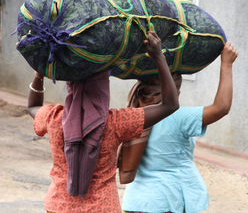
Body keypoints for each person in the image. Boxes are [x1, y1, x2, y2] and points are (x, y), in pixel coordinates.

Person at [27, 31, 180, 213]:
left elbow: (32, 106)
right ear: (102, 88)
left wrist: (39, 74)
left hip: (58, 205)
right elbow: (170, 105)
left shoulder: (54, 117)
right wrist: (158, 56)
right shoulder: (116, 122)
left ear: (71, 85)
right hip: (103, 207)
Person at [122, 42, 238, 213]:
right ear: (174, 91)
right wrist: (226, 64)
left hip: (135, 202)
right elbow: (221, 108)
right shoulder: (178, 117)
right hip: (167, 202)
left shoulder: (131, 113)